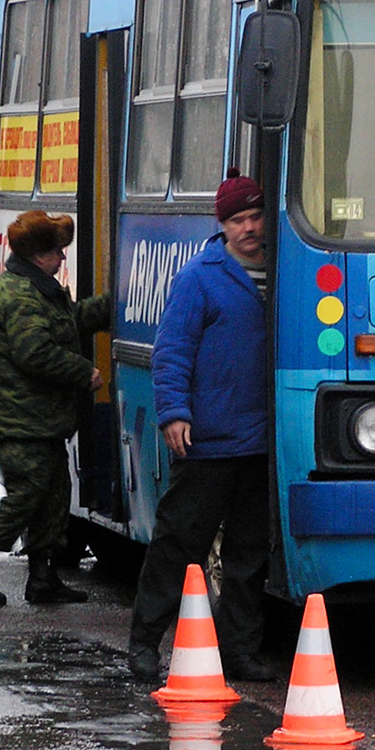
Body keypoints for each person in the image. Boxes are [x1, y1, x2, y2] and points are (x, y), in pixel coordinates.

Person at [127, 170, 273, 683]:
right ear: (223, 225)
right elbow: (172, 351)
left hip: (263, 442)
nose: (249, 228)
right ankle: (144, 644)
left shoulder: (286, 270)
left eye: (256, 216)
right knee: (177, 544)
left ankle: (240, 651)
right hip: (209, 440)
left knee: (248, 556)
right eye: (238, 220)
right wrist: (174, 413)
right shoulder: (201, 275)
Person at [0, 210, 109, 607]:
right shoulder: (22, 293)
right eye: (58, 252)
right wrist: (82, 371)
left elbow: (67, 322)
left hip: (41, 419)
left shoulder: (37, 287)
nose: (62, 259)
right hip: (22, 419)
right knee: (26, 496)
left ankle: (43, 577)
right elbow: (33, 351)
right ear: (40, 254)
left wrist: (109, 307)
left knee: (54, 496)